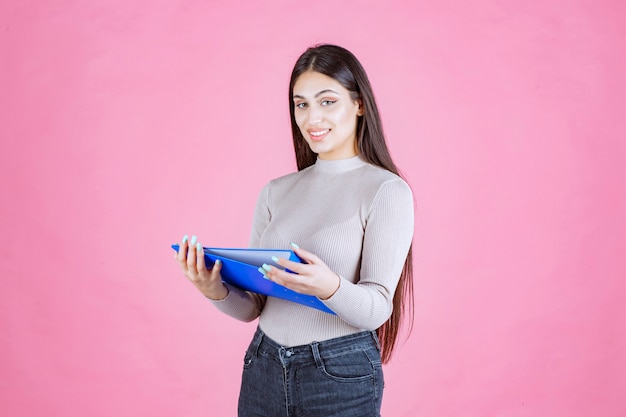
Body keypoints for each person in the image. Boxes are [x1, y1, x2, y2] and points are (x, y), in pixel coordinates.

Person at [175, 44, 414, 417]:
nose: (312, 117)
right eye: (301, 104)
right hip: (264, 364)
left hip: (338, 374)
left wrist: (329, 287)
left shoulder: (385, 191)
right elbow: (254, 306)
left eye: (327, 101)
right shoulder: (276, 191)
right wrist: (215, 289)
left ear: (359, 105)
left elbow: (378, 308)